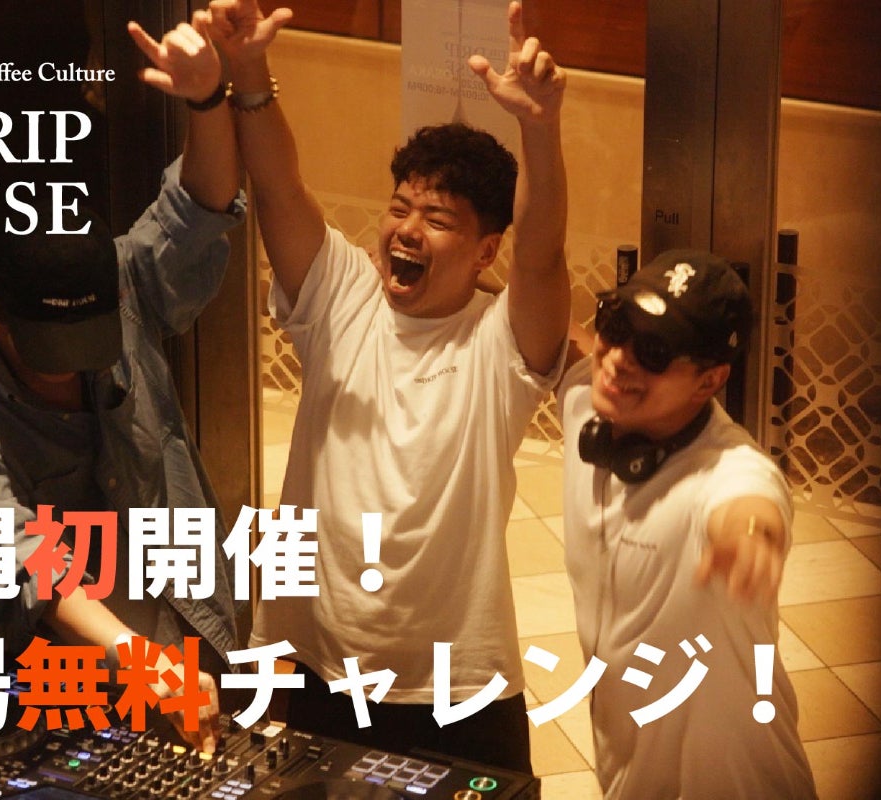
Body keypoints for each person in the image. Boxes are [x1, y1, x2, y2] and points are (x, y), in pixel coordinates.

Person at [207, 0, 571, 772]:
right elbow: (279, 190)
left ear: (485, 251)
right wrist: (248, 72)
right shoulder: (341, 296)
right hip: (317, 661)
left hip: (458, 681)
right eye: (400, 207)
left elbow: (542, 257)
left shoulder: (499, 343)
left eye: (437, 218)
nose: (406, 228)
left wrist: (540, 128)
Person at [0, 12, 244, 753]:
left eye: (85, 343)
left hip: (192, 624)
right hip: (72, 670)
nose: (70, 366)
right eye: (47, 348)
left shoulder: (121, 281)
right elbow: (26, 561)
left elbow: (198, 209)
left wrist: (207, 100)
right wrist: (139, 660)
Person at [557, 249, 817, 797]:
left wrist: (751, 538)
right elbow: (552, 325)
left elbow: (749, 505)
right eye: (616, 326)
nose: (619, 359)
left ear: (709, 381)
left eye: (654, 352)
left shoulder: (727, 469)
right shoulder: (586, 405)